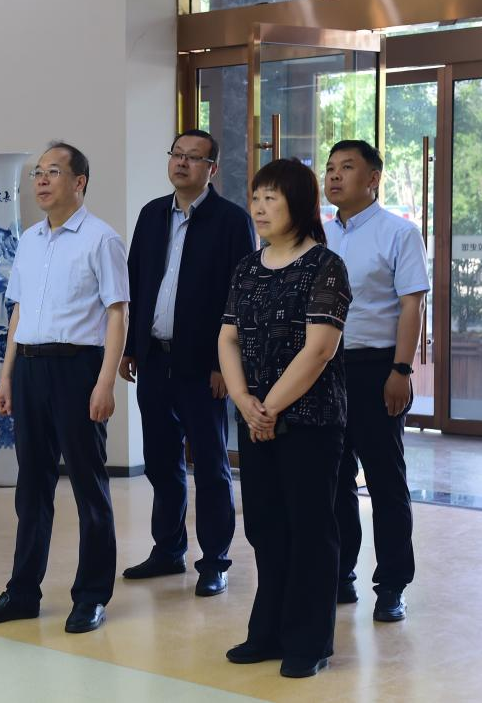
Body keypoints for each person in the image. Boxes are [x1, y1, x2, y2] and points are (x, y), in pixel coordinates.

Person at [0, 142, 128, 635]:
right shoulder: (30, 241)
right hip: (31, 370)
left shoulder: (101, 239)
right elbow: (17, 312)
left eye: (52, 172)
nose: (40, 180)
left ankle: (92, 596)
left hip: (78, 370)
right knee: (32, 488)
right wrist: (7, 375)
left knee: (88, 486)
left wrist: (105, 382)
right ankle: (22, 593)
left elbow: (117, 313)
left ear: (79, 182)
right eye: (37, 172)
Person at [218, 158, 352, 678]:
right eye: (256, 197)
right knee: (266, 528)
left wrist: (268, 406)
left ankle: (309, 641)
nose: (258, 207)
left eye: (271, 198)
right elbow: (228, 337)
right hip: (255, 419)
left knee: (310, 530)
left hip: (310, 422)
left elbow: (319, 350)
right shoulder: (247, 267)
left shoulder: (325, 265)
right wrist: (243, 400)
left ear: (299, 203)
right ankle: (267, 632)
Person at [119, 129, 255, 596]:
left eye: (193, 158)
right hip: (154, 359)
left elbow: (240, 296)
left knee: (212, 466)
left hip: (204, 367)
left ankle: (214, 560)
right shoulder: (151, 214)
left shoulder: (231, 221)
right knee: (160, 462)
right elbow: (136, 281)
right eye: (176, 154)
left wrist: (225, 364)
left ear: (211, 169)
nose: (181, 163)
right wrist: (131, 346)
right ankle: (168, 549)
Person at [323, 140, 427, 622]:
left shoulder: (398, 233)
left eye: (347, 167)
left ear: (373, 179)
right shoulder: (319, 235)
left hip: (377, 367)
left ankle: (391, 585)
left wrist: (401, 371)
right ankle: (341, 572)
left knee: (385, 481)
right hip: (324, 368)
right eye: (330, 167)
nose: (335, 175)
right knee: (333, 478)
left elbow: (412, 304)